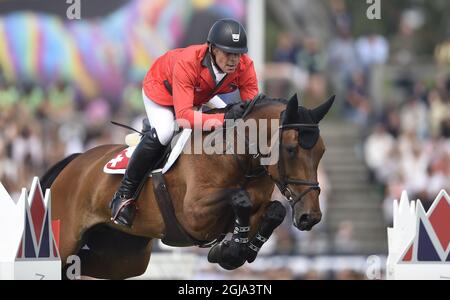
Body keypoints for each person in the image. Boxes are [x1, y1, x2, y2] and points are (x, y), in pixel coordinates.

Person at [110, 19, 259, 227]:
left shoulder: (245, 65)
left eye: (238, 53)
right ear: (213, 49)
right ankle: (123, 195)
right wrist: (224, 119)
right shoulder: (189, 62)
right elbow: (184, 117)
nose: (234, 60)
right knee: (165, 131)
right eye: (228, 53)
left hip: (200, 93)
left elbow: (253, 109)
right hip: (161, 91)